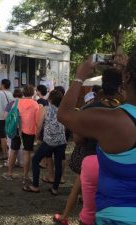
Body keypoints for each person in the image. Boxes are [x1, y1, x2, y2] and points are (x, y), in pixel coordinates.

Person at [57, 53, 136, 224]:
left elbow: (63, 114)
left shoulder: (112, 120)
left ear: (127, 77)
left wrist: (80, 76)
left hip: (117, 217)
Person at [23, 90, 66, 195]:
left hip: (49, 141)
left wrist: (36, 138)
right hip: (61, 141)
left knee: (35, 160)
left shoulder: (45, 109)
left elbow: (39, 125)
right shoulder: (63, 110)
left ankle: (35, 186)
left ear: (50, 99)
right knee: (58, 164)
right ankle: (55, 189)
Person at [2, 85, 40, 184]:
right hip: (30, 131)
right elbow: (37, 121)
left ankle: (9, 173)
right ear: (32, 93)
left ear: (23, 93)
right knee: (27, 153)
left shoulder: (17, 102)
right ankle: (25, 176)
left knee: (13, 151)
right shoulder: (35, 104)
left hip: (17, 131)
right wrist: (37, 135)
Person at [4, 89, 24, 168]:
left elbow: (5, 117)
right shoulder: (23, 104)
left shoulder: (10, 104)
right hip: (22, 128)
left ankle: (11, 162)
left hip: (12, 128)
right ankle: (21, 162)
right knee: (21, 146)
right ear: (22, 95)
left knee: (11, 146)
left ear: (13, 95)